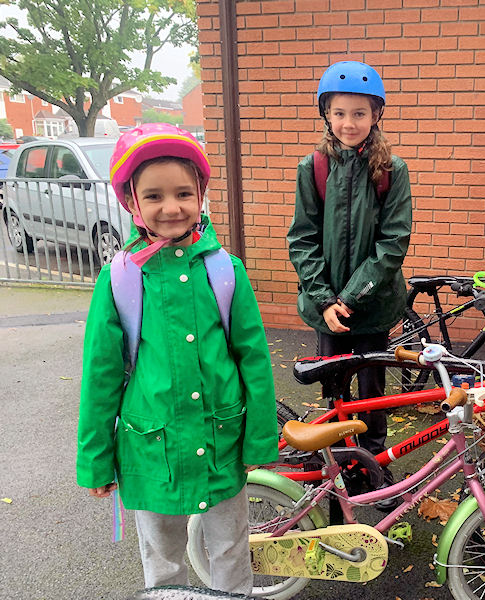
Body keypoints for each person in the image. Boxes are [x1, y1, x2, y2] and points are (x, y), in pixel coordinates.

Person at [76, 123, 278, 595]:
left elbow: (254, 360)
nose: (171, 207)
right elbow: (101, 376)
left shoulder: (226, 270)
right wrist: (95, 460)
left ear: (201, 195)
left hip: (221, 439)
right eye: (155, 196)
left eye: (184, 193)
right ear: (132, 203)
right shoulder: (119, 278)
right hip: (151, 446)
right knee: (162, 558)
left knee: (230, 549)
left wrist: (259, 441)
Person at [287, 61, 412, 480]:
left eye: (359, 113)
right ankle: (340, 460)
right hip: (327, 310)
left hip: (373, 306)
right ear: (327, 114)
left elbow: (393, 242)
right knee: (336, 388)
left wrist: (351, 298)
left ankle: (374, 462)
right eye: (339, 113)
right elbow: (302, 238)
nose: (349, 122)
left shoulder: (392, 171)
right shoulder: (314, 168)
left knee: (372, 392)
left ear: (376, 114)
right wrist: (326, 301)